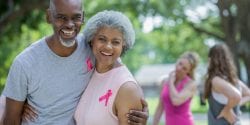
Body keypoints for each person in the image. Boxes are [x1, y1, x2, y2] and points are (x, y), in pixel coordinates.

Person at [0, 0, 148, 124]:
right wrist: (20, 103)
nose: (70, 25)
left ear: (83, 17)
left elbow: (117, 68)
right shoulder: (25, 62)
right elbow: (9, 118)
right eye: (61, 17)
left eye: (76, 17)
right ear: (48, 16)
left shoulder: (92, 46)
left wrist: (137, 105)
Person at [73, 10, 145, 125]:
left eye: (115, 42)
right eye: (102, 39)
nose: (108, 47)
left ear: (123, 45)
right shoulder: (88, 72)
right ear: (92, 40)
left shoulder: (127, 88)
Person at [204, 43, 250, 125]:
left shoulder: (216, 80)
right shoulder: (233, 80)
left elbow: (236, 96)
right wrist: (234, 105)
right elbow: (248, 94)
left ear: (210, 59)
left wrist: (227, 109)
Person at [152, 51, 199, 125]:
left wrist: (170, 81)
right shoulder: (164, 82)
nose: (179, 68)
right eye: (180, 63)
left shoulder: (191, 84)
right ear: (177, 60)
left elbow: (175, 101)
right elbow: (160, 107)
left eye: (184, 68)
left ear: (189, 71)